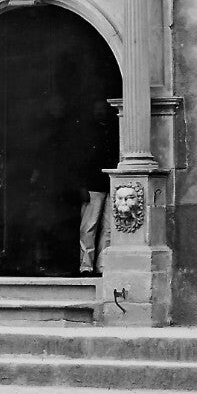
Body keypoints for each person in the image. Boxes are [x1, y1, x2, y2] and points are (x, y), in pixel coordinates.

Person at [77, 99, 117, 275]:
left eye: (103, 109)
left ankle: (102, 265)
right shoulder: (86, 133)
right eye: (97, 108)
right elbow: (80, 161)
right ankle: (86, 265)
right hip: (92, 184)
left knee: (108, 227)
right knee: (88, 227)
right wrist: (81, 185)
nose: (100, 112)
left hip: (110, 184)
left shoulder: (113, 131)